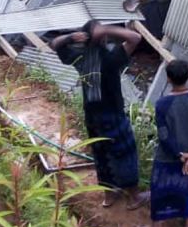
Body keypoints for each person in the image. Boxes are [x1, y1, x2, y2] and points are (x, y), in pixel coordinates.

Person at [52, 20, 146, 209]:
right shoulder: (110, 58)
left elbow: (54, 44)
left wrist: (71, 37)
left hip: (92, 116)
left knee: (101, 154)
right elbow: (135, 38)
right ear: (102, 38)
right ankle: (134, 197)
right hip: (112, 114)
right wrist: (107, 29)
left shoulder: (79, 57)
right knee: (124, 152)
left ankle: (109, 195)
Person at [134, 60, 188, 227]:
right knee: (186, 185)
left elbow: (163, 134)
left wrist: (178, 154)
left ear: (168, 79)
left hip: (168, 156)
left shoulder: (162, 104)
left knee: (160, 188)